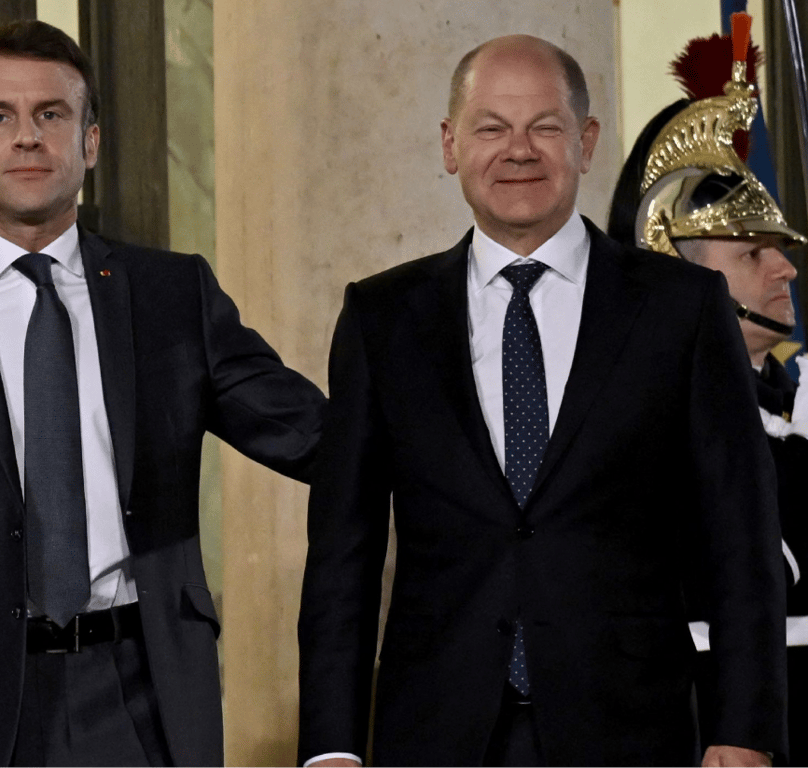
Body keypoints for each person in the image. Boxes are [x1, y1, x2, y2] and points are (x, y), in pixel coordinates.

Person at [0, 19, 325, 768]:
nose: (27, 137)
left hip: (143, 690)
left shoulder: (171, 295)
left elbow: (316, 438)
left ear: (89, 142)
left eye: (51, 114)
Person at [298, 34, 786, 767]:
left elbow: (741, 536)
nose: (518, 151)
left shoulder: (681, 309)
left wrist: (744, 728)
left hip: (631, 733)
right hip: (435, 734)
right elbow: (344, 553)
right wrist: (329, 749)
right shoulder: (383, 318)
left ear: (586, 143)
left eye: (545, 127)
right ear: (450, 145)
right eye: (491, 128)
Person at [606, 29, 808, 763]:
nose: (784, 270)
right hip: (698, 716)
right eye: (753, 252)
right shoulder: (646, 420)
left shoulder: (787, 405)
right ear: (683, 278)